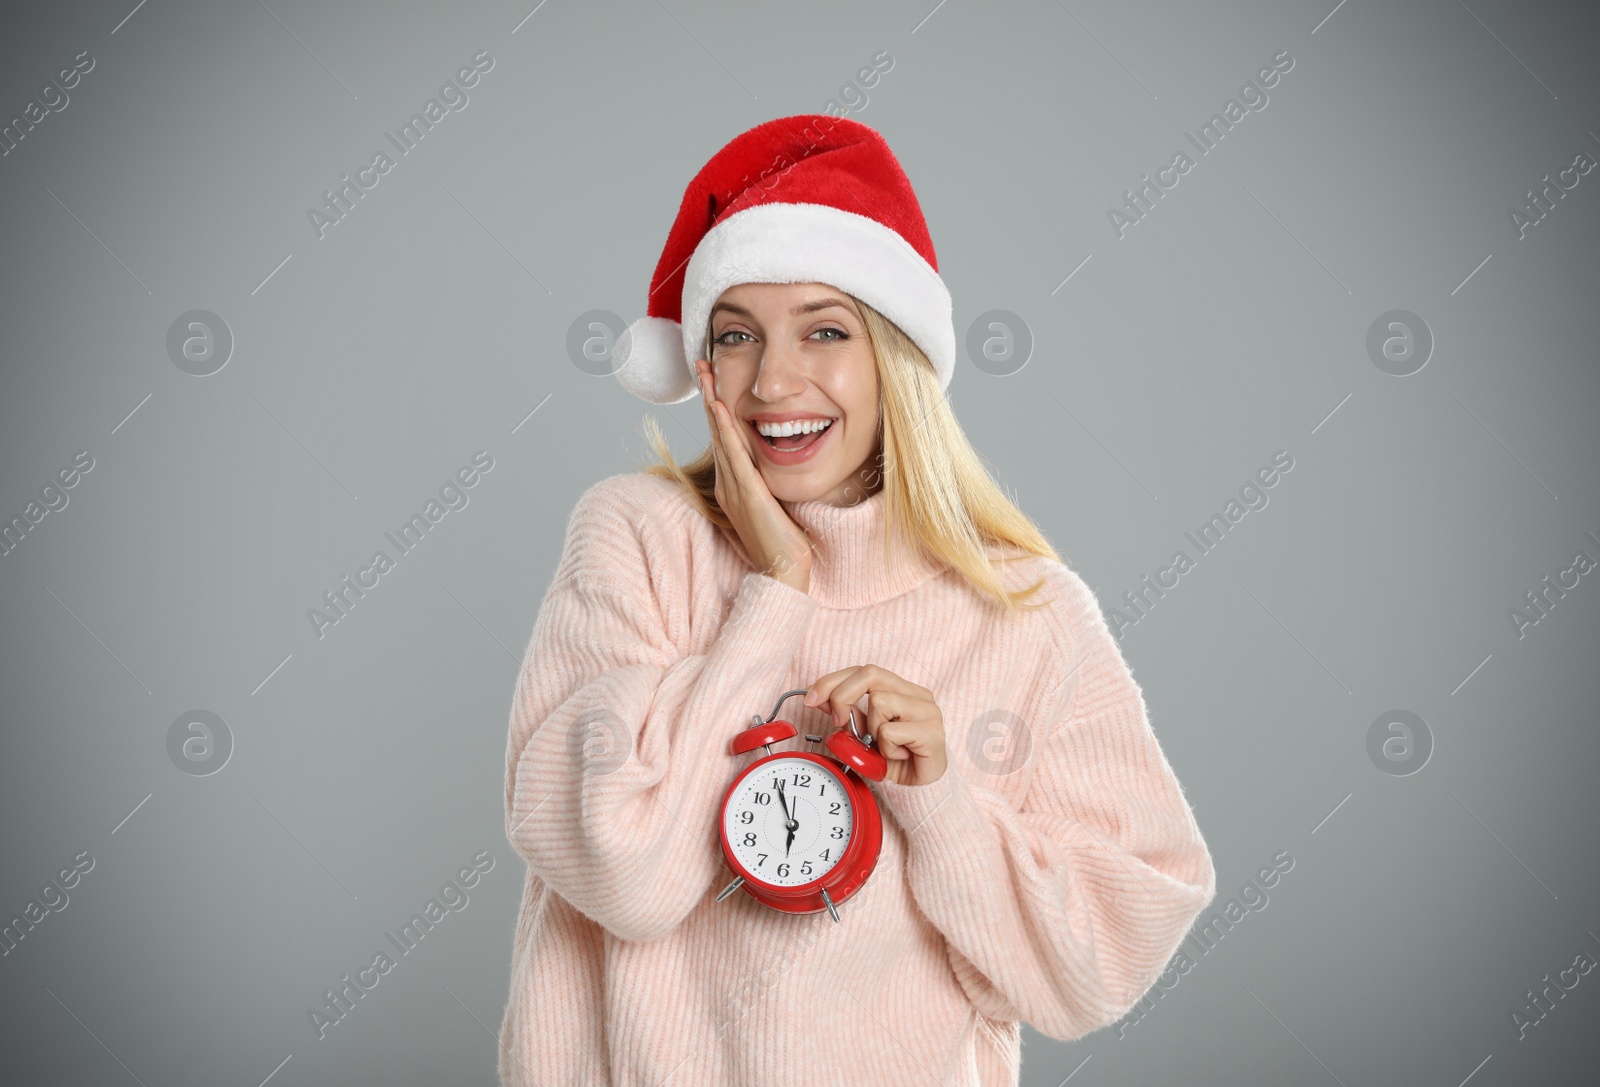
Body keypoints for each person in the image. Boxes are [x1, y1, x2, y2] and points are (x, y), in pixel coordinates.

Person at [498, 114, 1215, 1087]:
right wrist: (772, 594)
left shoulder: (1025, 613)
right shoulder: (635, 537)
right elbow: (627, 875)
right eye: (736, 335)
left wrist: (942, 799)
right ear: (701, 370)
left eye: (824, 330)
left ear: (896, 355)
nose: (773, 381)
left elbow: (1094, 971)